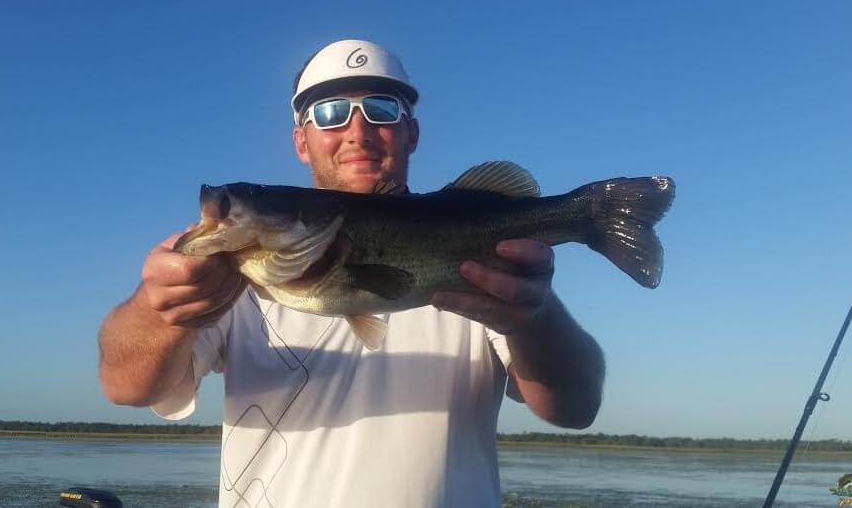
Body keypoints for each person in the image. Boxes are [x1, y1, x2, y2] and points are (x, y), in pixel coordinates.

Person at [98, 40, 605, 508]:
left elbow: (575, 408)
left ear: (412, 133)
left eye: (382, 111)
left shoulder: (498, 283)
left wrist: (533, 320)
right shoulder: (229, 278)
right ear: (302, 141)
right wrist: (159, 310)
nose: (356, 132)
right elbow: (125, 387)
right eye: (330, 113)